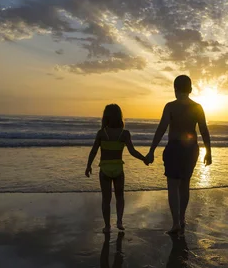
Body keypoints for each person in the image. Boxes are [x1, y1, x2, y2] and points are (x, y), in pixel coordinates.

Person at [145, 75, 212, 234]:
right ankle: (182, 219)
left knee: (172, 186)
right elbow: (204, 130)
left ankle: (176, 222)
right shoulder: (197, 107)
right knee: (185, 185)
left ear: (175, 89)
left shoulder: (170, 106)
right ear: (190, 89)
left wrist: (152, 150)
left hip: (174, 148)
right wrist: (209, 152)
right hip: (190, 150)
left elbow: (161, 129)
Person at [85, 103, 147, 233]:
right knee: (120, 197)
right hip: (118, 169)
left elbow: (93, 151)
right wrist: (144, 159)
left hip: (105, 170)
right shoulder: (124, 134)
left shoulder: (102, 133)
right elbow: (132, 151)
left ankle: (107, 226)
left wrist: (88, 165)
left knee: (106, 199)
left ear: (105, 117)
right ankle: (119, 221)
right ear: (120, 116)